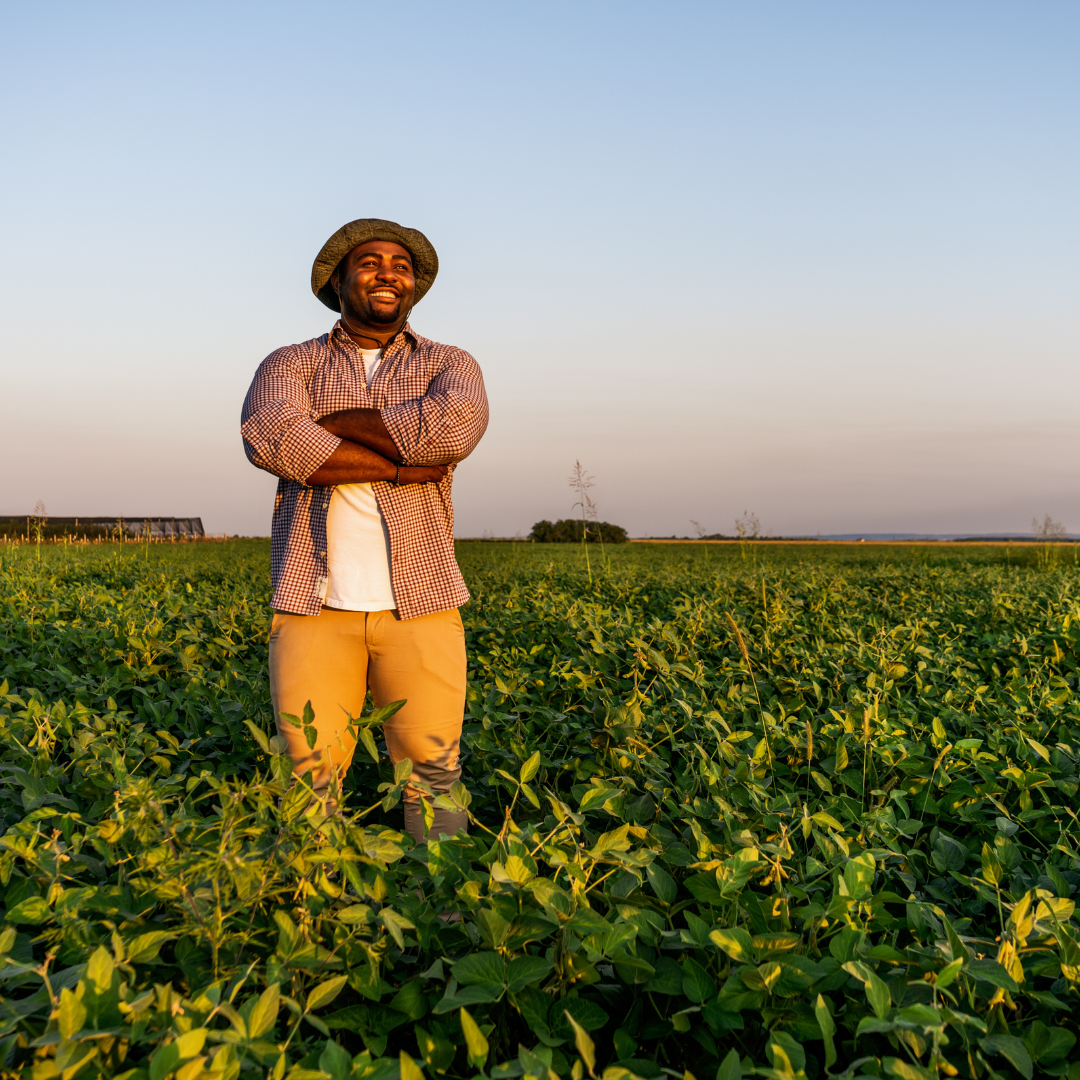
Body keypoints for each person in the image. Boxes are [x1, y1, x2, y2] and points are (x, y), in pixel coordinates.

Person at [240, 218, 488, 842]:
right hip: (313, 603)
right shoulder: (290, 362)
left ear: (413, 286)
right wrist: (404, 464)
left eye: (401, 266)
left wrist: (331, 425)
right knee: (309, 775)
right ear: (339, 280)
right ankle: (311, 895)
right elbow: (272, 438)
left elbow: (453, 431)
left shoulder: (449, 363)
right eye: (370, 262)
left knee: (434, 772)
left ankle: (443, 896)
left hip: (422, 601)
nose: (388, 274)